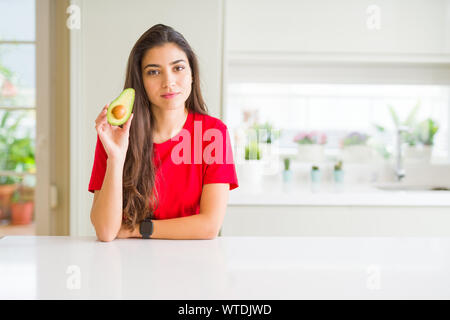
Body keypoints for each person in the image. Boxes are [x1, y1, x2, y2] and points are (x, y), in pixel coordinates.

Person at [88, 24, 238, 242]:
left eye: (178, 68)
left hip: (194, 264)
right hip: (132, 264)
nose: (168, 82)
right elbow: (105, 231)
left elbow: (208, 226)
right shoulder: (115, 136)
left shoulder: (213, 134)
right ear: (141, 82)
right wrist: (116, 158)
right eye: (154, 72)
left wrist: (137, 229)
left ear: (192, 74)